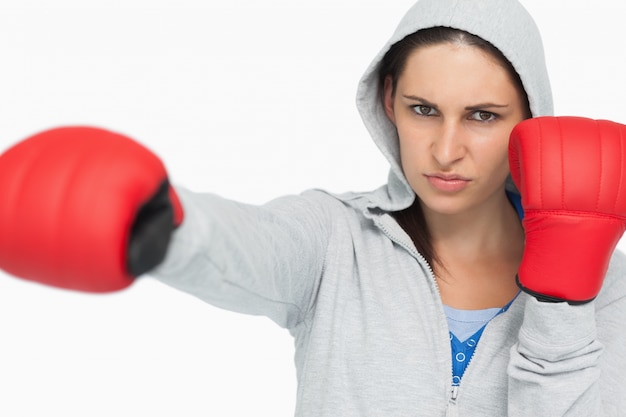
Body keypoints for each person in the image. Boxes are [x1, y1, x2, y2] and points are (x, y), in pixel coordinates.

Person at [0, 0, 625, 415]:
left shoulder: (611, 285)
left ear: (531, 122)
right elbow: (254, 243)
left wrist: (561, 308)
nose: (445, 149)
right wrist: (163, 221)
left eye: (482, 116)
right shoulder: (335, 238)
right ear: (388, 101)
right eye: (423, 109)